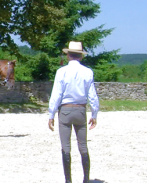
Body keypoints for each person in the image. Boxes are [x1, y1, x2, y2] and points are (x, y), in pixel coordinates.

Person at [48, 41, 99, 183]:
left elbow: (56, 95)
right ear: (81, 56)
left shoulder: (61, 72)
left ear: (68, 55)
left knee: (66, 147)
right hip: (81, 110)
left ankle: (68, 181)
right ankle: (85, 179)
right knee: (83, 146)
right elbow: (93, 96)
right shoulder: (88, 72)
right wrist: (94, 114)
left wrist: (51, 114)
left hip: (65, 110)